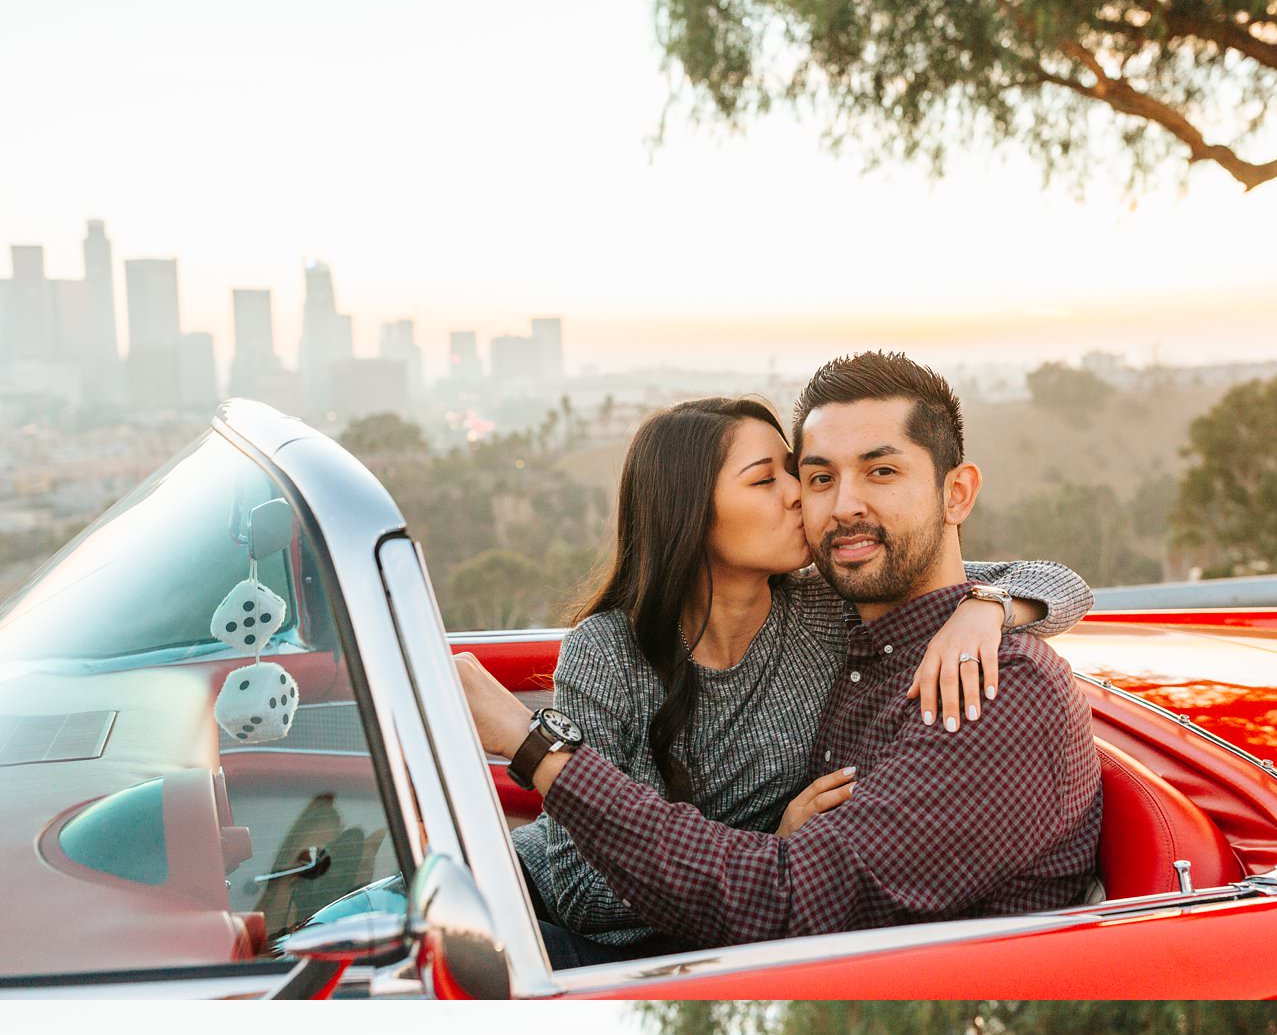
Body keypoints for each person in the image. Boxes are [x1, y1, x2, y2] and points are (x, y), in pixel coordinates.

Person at [457, 354, 1103, 955]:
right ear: (692, 516)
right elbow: (593, 887)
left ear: (956, 493)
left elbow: (787, 898)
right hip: (529, 899)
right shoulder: (849, 625)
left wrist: (991, 604)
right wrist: (987, 602)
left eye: (881, 471)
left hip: (671, 956)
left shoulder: (984, 684)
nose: (835, 504)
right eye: (817, 476)